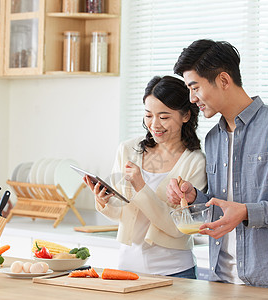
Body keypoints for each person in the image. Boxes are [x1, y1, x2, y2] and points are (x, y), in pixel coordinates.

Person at [166, 39, 268, 291]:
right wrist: (194, 196)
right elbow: (223, 204)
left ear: (224, 80)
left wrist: (248, 212)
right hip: (222, 279)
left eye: (195, 88)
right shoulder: (213, 138)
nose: (192, 99)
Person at [84, 75, 207, 279]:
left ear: (186, 115)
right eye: (148, 115)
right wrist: (103, 200)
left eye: (164, 117)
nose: (154, 124)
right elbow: (119, 213)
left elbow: (179, 228)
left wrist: (141, 186)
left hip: (175, 271)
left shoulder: (195, 161)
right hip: (126, 267)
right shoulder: (128, 149)